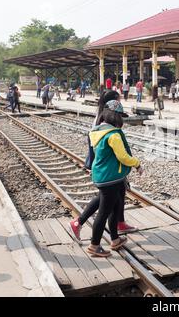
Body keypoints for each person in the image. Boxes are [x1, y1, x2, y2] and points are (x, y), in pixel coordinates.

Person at [69, 91, 139, 242]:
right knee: (106, 207)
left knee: (115, 199)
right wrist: (136, 164)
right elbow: (119, 155)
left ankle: (115, 236)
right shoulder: (111, 131)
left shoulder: (101, 120)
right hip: (110, 171)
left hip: (106, 171)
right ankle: (94, 241)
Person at [84, 100, 143, 257]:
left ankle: (115, 239)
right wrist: (137, 164)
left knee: (115, 207)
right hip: (110, 178)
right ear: (116, 117)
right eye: (120, 116)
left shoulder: (96, 131)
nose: (122, 120)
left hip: (104, 176)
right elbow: (123, 157)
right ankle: (94, 245)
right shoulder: (114, 135)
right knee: (104, 212)